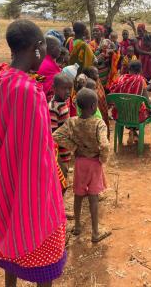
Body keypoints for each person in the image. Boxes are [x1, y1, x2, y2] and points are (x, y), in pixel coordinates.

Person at [0, 20, 67, 286]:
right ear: (38, 47)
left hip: (4, 184)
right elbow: (40, 154)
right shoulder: (30, 92)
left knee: (11, 241)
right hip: (33, 190)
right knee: (44, 257)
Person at [54, 88, 111, 243]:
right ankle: (95, 233)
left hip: (79, 163)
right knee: (93, 197)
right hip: (94, 163)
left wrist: (74, 148)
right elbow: (105, 146)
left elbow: (56, 135)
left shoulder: (72, 122)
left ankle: (77, 226)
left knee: (78, 195)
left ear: (78, 106)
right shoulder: (99, 124)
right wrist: (102, 158)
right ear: (94, 106)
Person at [110, 60, 150, 144]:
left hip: (121, 114)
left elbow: (112, 92)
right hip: (136, 116)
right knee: (144, 108)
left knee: (130, 106)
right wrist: (150, 108)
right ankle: (134, 132)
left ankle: (132, 131)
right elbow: (146, 99)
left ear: (129, 69)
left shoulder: (121, 78)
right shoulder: (140, 80)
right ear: (140, 70)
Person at [49, 73, 74, 195]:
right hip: (59, 153)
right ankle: (58, 210)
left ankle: (59, 209)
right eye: (64, 88)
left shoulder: (63, 104)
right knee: (61, 182)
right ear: (54, 88)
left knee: (63, 180)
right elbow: (53, 135)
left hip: (65, 151)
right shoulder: (53, 108)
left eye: (69, 88)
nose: (68, 91)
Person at [83, 66, 110, 133]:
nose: (98, 75)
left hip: (101, 111)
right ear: (91, 75)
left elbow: (102, 96)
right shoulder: (88, 85)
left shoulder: (98, 82)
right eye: (96, 73)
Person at [38, 35, 62, 100]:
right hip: (44, 100)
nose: (60, 50)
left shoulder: (41, 60)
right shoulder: (48, 65)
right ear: (52, 48)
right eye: (59, 47)